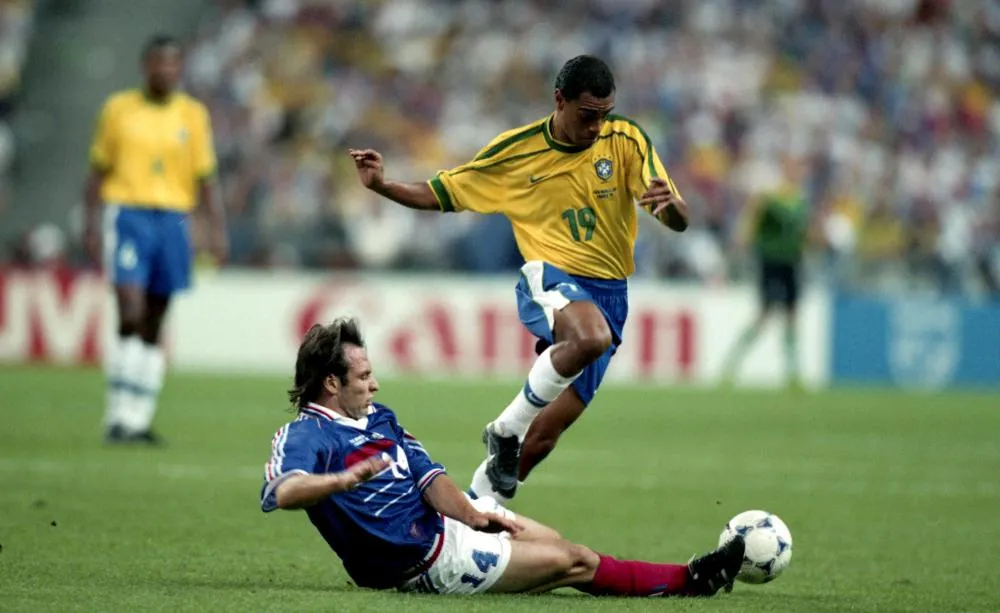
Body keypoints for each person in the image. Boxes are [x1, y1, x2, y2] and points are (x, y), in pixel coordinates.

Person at [349, 55, 689, 503]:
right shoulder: (516, 152)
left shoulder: (625, 139)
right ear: (559, 100)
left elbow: (676, 216)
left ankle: (469, 517)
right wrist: (382, 185)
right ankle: (505, 428)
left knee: (541, 440)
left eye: (604, 115)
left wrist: (672, 210)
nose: (596, 127)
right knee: (590, 337)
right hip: (549, 275)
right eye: (587, 115)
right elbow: (442, 193)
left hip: (611, 293)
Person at [260, 318, 744, 597]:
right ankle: (692, 579)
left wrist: (471, 515)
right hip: (427, 563)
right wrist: (341, 481)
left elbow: (428, 477)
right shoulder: (307, 435)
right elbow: (284, 492)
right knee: (574, 561)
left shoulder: (379, 417)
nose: (375, 384)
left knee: (555, 544)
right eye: (364, 376)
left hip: (445, 526)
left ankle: (657, 576)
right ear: (331, 383)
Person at [83, 34, 228, 444]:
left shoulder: (192, 114)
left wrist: (216, 230)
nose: (166, 70)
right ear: (145, 66)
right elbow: (98, 169)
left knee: (155, 319)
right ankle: (117, 414)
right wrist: (90, 223)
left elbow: (206, 177)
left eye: (172, 63)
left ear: (179, 69)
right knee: (130, 311)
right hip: (128, 214)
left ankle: (137, 418)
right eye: (159, 63)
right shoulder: (118, 109)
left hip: (173, 220)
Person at [721, 155, 810, 388]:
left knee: (792, 318)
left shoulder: (799, 200)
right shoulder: (770, 197)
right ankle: (732, 363)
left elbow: (802, 233)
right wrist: (743, 238)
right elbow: (752, 218)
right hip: (771, 261)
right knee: (764, 316)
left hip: (792, 263)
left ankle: (792, 372)